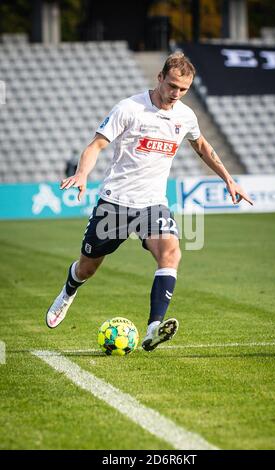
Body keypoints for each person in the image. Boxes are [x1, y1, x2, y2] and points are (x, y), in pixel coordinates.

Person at [46, 52, 253, 351]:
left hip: (152, 204)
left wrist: (228, 178)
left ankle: (154, 327)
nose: (176, 94)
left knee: (171, 253)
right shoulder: (129, 108)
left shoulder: (185, 115)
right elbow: (96, 145)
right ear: (159, 78)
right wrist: (81, 174)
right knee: (87, 268)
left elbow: (202, 146)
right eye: (172, 86)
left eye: (183, 89)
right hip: (114, 203)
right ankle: (68, 291)